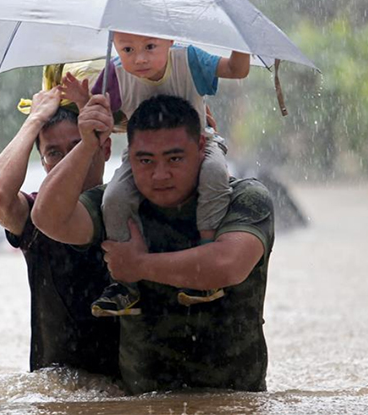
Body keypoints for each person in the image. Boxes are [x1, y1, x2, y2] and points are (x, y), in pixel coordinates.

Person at [31, 94, 274, 394]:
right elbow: (48, 219)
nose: (160, 175)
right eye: (145, 160)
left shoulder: (245, 197)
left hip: (235, 400)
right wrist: (87, 144)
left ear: (201, 147)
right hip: (142, 401)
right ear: (129, 156)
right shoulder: (116, 206)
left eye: (174, 158)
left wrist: (139, 265)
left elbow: (228, 265)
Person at [62, 32, 251, 316]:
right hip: (142, 157)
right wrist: (82, 103)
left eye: (150, 47)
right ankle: (124, 285)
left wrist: (240, 38)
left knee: (214, 173)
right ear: (114, 45)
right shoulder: (113, 74)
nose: (139, 58)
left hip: (199, 144)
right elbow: (99, 118)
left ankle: (206, 249)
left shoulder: (188, 60)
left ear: (170, 40)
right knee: (113, 198)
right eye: (127, 49)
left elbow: (237, 70)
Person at [0, 86, 119, 376]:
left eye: (78, 145)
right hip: (56, 389)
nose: (69, 160)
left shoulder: (129, 206)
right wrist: (33, 120)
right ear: (43, 162)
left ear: (105, 149)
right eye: (54, 153)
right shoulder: (35, 218)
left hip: (127, 388)